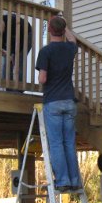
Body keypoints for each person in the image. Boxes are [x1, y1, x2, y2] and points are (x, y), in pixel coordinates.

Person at [35, 16, 81, 192]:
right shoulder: (69, 48)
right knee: (69, 142)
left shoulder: (46, 51)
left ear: (50, 31)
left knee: (56, 143)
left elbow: (43, 78)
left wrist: (41, 80)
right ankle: (74, 180)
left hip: (53, 102)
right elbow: (73, 39)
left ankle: (62, 181)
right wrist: (65, 25)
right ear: (62, 31)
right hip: (69, 101)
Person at [0, 14, 33, 83]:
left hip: (26, 35)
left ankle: (20, 88)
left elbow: (19, 42)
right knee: (6, 63)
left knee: (19, 60)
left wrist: (13, 54)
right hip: (11, 43)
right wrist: (4, 52)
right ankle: (7, 86)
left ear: (0, 20)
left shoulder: (13, 22)